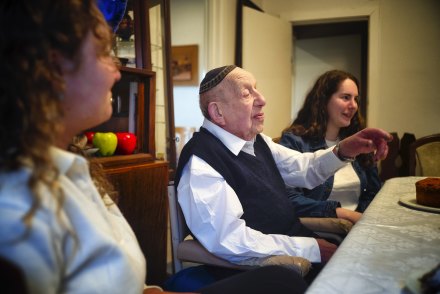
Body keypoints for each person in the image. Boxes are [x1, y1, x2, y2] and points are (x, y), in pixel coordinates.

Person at [0, 1, 309, 293]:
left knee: (281, 282)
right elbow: (224, 238)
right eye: (104, 53)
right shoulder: (16, 215)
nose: (117, 71)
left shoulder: (76, 171)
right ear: (54, 69)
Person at [175, 65, 391, 275]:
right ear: (218, 112)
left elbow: (304, 169)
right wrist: (311, 248)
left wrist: (344, 149)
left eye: (257, 89)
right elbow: (228, 240)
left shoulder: (257, 141)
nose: (262, 100)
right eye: (247, 93)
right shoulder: (201, 162)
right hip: (269, 271)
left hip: (298, 247)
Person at [279, 70, 382, 224]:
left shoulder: (357, 141)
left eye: (356, 99)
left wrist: (361, 218)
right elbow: (287, 197)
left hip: (359, 225)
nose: (353, 105)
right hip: (323, 228)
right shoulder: (295, 141)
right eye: (346, 97)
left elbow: (374, 191)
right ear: (323, 100)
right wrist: (342, 214)